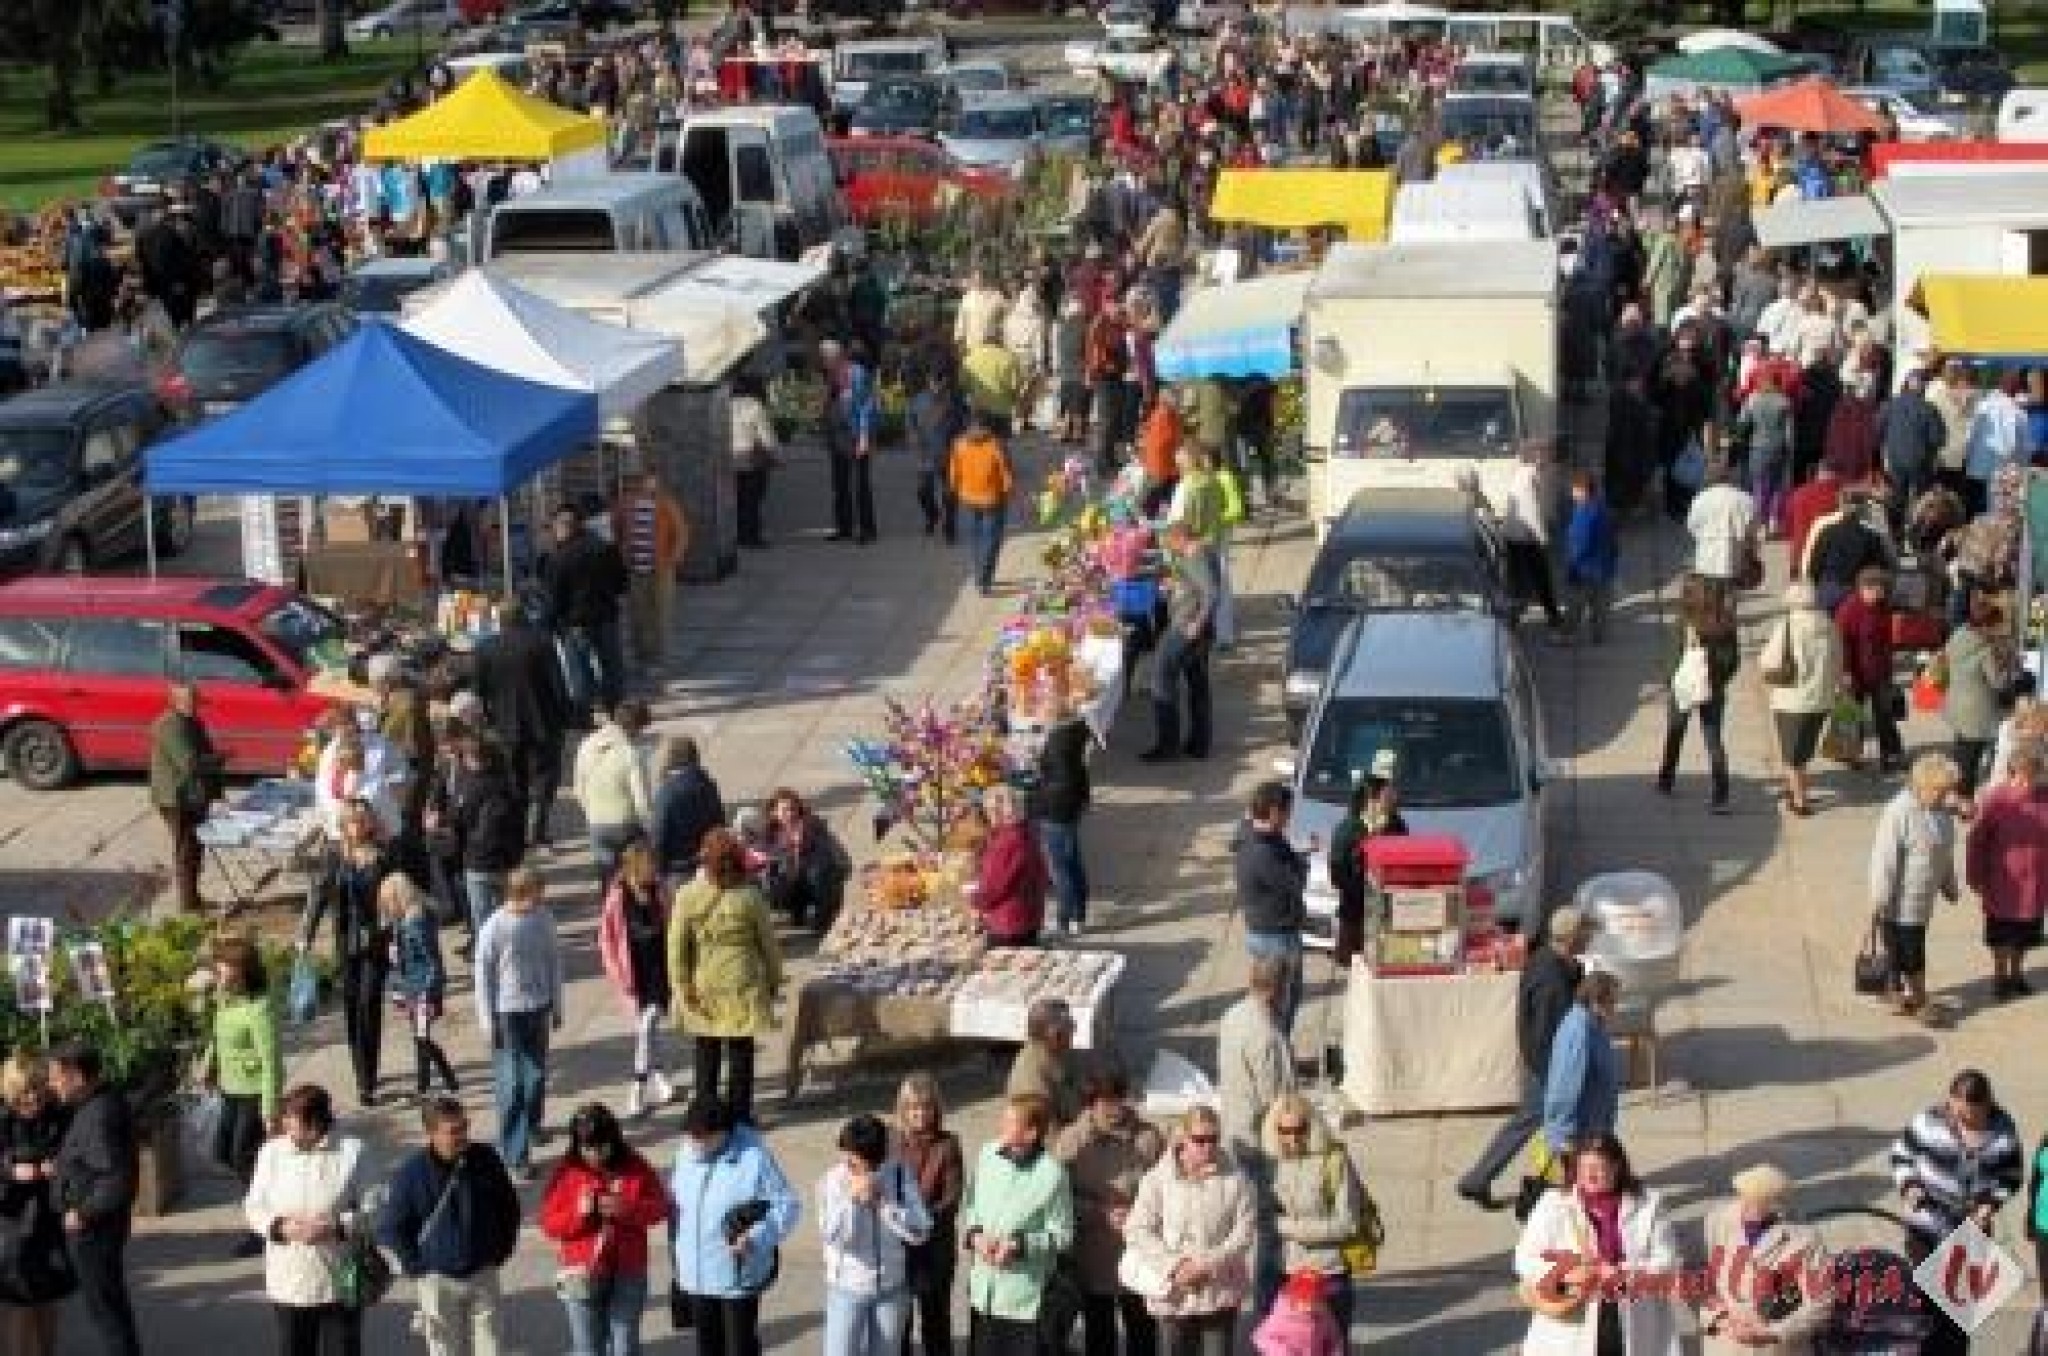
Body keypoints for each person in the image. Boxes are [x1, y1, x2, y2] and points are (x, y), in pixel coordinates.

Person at [1460, 906, 1593, 1210]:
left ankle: (1485, 1179)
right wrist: (1559, 1076)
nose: (1590, 938)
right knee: (1546, 1126)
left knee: (1541, 1126)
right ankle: (1483, 1180)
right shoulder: (1552, 982)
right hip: (1550, 1068)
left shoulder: (1548, 959)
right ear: (1572, 938)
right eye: (1586, 933)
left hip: (1547, 1066)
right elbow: (1549, 1034)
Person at [376, 1096, 522, 1356]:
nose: (462, 1136)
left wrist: (501, 1250)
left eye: (464, 1126)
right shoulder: (411, 1174)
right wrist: (417, 1267)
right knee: (445, 1351)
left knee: (492, 1348)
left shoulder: (486, 1158)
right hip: (437, 1280)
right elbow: (390, 1228)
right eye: (453, 1131)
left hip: (482, 1272)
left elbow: (508, 1207)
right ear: (431, 1133)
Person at [1892, 1070, 2024, 1356]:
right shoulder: (1926, 1121)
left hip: (1970, 1236)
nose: (1971, 1122)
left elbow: (2011, 1176)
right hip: (1925, 1230)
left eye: (1977, 1116)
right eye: (1964, 1115)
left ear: (1988, 1103)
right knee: (1924, 1311)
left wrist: (1991, 1203)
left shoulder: (2003, 1127)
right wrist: (1910, 1186)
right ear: (1951, 1102)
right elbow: (1901, 1155)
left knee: (1957, 1317)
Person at [1513, 1134, 1683, 1356]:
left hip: (1632, 1317)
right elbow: (1525, 1259)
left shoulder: (1649, 1204)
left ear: (1617, 1167)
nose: (1590, 1176)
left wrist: (1623, 1272)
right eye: (1583, 1168)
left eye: (1598, 1168)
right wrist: (1567, 1273)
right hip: (1571, 1324)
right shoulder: (1553, 1203)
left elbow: (1668, 1261)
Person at [537, 1103, 673, 1356]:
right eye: (587, 1148)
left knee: (624, 1346)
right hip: (582, 1273)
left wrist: (627, 1208)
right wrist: (578, 1213)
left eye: (601, 1146)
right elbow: (549, 1223)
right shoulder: (566, 1172)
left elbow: (660, 1207)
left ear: (614, 1140)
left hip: (628, 1271)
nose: (595, 1155)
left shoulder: (635, 1164)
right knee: (588, 1348)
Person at [669, 1096, 801, 1356]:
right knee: (707, 1349)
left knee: (740, 1348)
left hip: (737, 1276)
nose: (695, 1142)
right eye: (691, 1135)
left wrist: (757, 1237)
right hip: (696, 1275)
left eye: (703, 1136)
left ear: (724, 1132)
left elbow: (787, 1205)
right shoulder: (685, 1151)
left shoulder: (754, 1157)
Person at [242, 1084, 368, 1356]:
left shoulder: (352, 1151)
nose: (284, 1123)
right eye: (284, 1116)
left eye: (291, 1117)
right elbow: (254, 1206)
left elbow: (376, 1208)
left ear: (315, 1122)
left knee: (343, 1348)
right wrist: (279, 1228)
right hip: (290, 1278)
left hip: (342, 1276)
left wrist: (338, 1226)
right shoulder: (271, 1153)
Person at [1121, 1104, 1256, 1355]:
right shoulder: (1157, 1179)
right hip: (1173, 1291)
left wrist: (1205, 1263)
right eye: (1200, 1140)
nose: (1208, 1146)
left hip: (1219, 1290)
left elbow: (1244, 1232)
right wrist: (1176, 1266)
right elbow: (1137, 1229)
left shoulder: (1237, 1179)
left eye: (1213, 1139)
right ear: (1183, 1138)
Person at [671, 828, 783, 1126]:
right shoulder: (749, 897)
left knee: (706, 1052)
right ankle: (739, 1115)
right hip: (741, 981)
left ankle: (706, 1115)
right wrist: (773, 980)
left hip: (703, 982)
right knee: (740, 1052)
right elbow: (768, 945)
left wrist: (682, 983)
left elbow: (677, 947)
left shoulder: (687, 896)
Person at [1056, 1066, 1165, 1356]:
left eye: (1119, 1098)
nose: (1114, 1107)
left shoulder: (1149, 1137)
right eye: (1106, 1101)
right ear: (1090, 1102)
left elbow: (1166, 1191)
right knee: (1099, 1333)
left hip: (1139, 1251)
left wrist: (1139, 1214)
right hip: (1092, 1254)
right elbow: (1058, 1198)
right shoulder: (1071, 1141)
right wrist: (1099, 1212)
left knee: (1142, 1332)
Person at [960, 1093, 1076, 1356]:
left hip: (1024, 1302)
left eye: (1010, 1122)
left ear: (1031, 1133)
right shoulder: (987, 1153)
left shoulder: (1052, 1174)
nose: (1001, 1127)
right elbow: (971, 1205)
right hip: (983, 1294)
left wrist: (1018, 1245)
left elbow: (1063, 1235)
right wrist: (976, 1237)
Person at [299, 798, 396, 1108]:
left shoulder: (383, 856)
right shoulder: (333, 855)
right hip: (346, 942)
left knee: (369, 1005)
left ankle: (367, 1081)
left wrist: (398, 936)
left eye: (364, 820)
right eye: (353, 820)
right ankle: (360, 1067)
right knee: (353, 1006)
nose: (359, 826)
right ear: (344, 824)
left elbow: (398, 898)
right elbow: (318, 895)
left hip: (375, 943)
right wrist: (306, 934)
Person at [473, 867, 564, 1181]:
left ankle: (532, 1124)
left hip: (537, 1007)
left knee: (535, 1076)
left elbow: (554, 960)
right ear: (522, 893)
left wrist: (557, 1004)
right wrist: (486, 1020)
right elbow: (482, 977)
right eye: (538, 892)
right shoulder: (494, 928)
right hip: (506, 1013)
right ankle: (516, 1152)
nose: (542, 898)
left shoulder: (543, 919)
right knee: (511, 1084)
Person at [818, 1113, 934, 1356]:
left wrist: (883, 1204)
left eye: (859, 1161)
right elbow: (834, 1238)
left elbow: (921, 1231)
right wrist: (853, 1201)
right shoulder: (832, 1181)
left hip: (892, 1289)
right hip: (846, 1289)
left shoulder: (900, 1175)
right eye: (850, 1157)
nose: (852, 1164)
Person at [48, 1044, 138, 1356]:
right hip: (99, 1229)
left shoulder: (99, 1113)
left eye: (56, 1077)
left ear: (76, 1076)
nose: (52, 1083)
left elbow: (115, 1179)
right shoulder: (96, 1104)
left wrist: (83, 1213)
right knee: (110, 1307)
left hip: (94, 1232)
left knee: (107, 1312)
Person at [1261, 1092, 1366, 1339]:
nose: (1292, 1137)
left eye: (1299, 1129)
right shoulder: (1271, 1164)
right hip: (1287, 1273)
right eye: (1284, 1130)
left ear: (1312, 1125)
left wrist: (1291, 1228)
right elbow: (1262, 1217)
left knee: (1332, 1345)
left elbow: (1348, 1224)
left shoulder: (1334, 1160)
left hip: (1329, 1273)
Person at [201, 934, 282, 1256]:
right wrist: (209, 1063)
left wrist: (269, 1107)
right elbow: (217, 1033)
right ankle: (267, 1197)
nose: (217, 969)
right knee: (223, 1151)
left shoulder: (259, 1008)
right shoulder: (225, 999)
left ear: (240, 970)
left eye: (223, 963)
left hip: (252, 1092)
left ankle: (263, 1223)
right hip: (229, 1088)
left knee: (242, 1156)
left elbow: (271, 1060)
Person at [1700, 1163, 1834, 1354]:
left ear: (1776, 1207)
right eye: (1744, 1198)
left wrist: (1773, 1333)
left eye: (1758, 1203)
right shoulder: (1717, 1220)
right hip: (1727, 1341)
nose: (1746, 1208)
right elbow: (1709, 1281)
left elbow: (1821, 1302)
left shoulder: (1805, 1239)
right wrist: (1718, 1318)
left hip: (1778, 1346)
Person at [1870, 753, 1964, 1021]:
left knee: (1900, 951)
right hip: (1898, 900)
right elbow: (1883, 858)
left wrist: (1949, 884)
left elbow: (1944, 852)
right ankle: (1919, 999)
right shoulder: (1897, 813)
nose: (1944, 797)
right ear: (1921, 785)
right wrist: (1879, 897)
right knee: (1910, 951)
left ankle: (1894, 992)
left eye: (1947, 791)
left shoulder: (1940, 814)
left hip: (1922, 900)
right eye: (1939, 791)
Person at [471, 599, 571, 850]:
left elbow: (479, 690)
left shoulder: (485, 648)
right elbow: (558, 686)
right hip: (543, 722)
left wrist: (489, 719)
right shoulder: (542, 643)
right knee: (544, 777)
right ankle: (536, 831)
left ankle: (516, 828)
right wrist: (567, 715)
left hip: (505, 726)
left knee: (514, 779)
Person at [0, 1053, 75, 1356]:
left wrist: (59, 1164)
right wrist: (10, 1171)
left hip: (47, 1214)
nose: (32, 1098)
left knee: (47, 1296)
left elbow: (74, 1150)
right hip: (11, 1221)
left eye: (36, 1090)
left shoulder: (57, 1114)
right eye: (23, 1094)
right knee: (18, 1301)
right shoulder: (3, 1119)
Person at [598, 837, 678, 1118]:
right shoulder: (618, 896)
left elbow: (674, 924)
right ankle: (656, 1077)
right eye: (649, 865)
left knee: (647, 1027)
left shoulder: (661, 891)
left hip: (660, 969)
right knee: (649, 1029)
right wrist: (617, 973)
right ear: (635, 868)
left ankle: (639, 1084)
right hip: (634, 972)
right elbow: (606, 939)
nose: (655, 870)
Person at [1965, 742, 2048, 1001]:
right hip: (2002, 881)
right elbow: (1976, 840)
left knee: (2025, 932)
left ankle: (2016, 973)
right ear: (2011, 772)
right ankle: (2000, 976)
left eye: (2034, 775)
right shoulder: (1996, 799)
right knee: (2000, 933)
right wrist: (1974, 874)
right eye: (2022, 775)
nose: (2028, 781)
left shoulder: (2045, 797)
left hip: (2036, 882)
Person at [1654, 572, 1741, 813]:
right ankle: (1721, 793)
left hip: (1684, 687)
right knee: (1714, 741)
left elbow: (1672, 657)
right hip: (1713, 689)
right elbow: (1733, 661)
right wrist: (1718, 680)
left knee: (1675, 732)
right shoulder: (1725, 622)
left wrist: (1669, 681)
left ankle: (1666, 779)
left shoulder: (1683, 621)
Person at [894, 1074, 965, 1356]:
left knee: (935, 1321)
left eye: (926, 1107)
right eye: (913, 1107)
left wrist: (919, 1223)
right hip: (898, 1246)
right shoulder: (891, 1142)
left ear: (936, 1108)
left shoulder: (948, 1145)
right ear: (903, 1110)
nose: (920, 1114)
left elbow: (951, 1198)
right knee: (900, 1322)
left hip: (935, 1246)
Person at [1761, 582, 1844, 818]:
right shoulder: (1830, 625)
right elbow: (1839, 662)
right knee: (1804, 750)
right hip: (1821, 698)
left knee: (1791, 754)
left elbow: (1770, 660)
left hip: (1792, 699)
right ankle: (1795, 788)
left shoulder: (1787, 626)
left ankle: (1800, 800)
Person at [543, 505, 631, 719]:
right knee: (612, 666)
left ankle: (587, 714)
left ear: (563, 526)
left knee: (580, 671)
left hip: (576, 623)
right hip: (607, 616)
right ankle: (617, 709)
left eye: (554, 527)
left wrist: (551, 624)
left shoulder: (558, 557)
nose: (553, 532)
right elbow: (622, 584)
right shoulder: (605, 548)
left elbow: (554, 597)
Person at [1234, 782, 1308, 1035]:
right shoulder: (1264, 853)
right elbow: (1295, 884)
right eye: (1287, 812)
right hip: (1277, 938)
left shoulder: (1247, 833)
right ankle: (1277, 1052)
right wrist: (1302, 861)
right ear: (1274, 812)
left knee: (1269, 999)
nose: (1290, 818)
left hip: (1263, 933)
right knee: (1281, 1003)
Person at [1142, 522, 1219, 762]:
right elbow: (1196, 588)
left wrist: (1198, 621)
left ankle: (1168, 744)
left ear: (1180, 539)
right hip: (1197, 628)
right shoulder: (1201, 553)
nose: (1169, 549)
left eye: (1169, 544)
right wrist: (1174, 586)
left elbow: (1211, 591)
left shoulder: (1196, 555)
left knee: (1161, 677)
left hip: (1186, 627)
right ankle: (1199, 743)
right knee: (1197, 683)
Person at [1326, 750, 1407, 968]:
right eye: (1392, 792)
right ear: (1375, 795)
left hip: (1388, 918)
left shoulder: (1398, 826)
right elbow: (1337, 876)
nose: (1397, 797)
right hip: (1355, 921)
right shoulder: (1348, 830)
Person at [1216, 955, 1299, 1165]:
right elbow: (1273, 1098)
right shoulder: (1266, 1036)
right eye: (1287, 986)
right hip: (1258, 1139)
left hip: (1233, 1123)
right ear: (1279, 990)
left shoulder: (1232, 1014)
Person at [384, 872, 459, 1102]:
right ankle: (433, 1083)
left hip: (423, 989)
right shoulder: (406, 920)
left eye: (389, 901)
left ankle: (437, 1081)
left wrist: (429, 991)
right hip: (413, 987)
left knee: (421, 1037)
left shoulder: (416, 922)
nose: (387, 907)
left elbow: (431, 961)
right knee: (420, 1037)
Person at [148, 679, 220, 913]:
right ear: (174, 701)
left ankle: (194, 900)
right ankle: (188, 908)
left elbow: (204, 753)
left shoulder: (192, 721)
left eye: (195, 700)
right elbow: (189, 763)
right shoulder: (169, 725)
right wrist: (220, 758)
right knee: (186, 852)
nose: (194, 704)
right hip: (176, 799)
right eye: (188, 700)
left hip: (194, 797)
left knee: (196, 848)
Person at [447, 734, 527, 940]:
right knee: (510, 916)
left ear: (470, 758)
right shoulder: (507, 783)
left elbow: (458, 822)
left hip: (477, 861)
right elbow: (520, 820)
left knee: (483, 922)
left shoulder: (469, 787)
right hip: (507, 860)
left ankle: (489, 961)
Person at [574, 698, 656, 889]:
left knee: (609, 882)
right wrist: (650, 831)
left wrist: (592, 812)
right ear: (634, 727)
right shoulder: (631, 753)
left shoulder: (585, 745)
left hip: (596, 824)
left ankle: (612, 915)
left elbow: (578, 789)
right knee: (637, 883)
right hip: (627, 825)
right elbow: (642, 801)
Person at [611, 470, 689, 672]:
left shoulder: (667, 504)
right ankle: (642, 657)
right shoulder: (626, 504)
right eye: (646, 481)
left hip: (661, 569)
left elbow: (681, 532)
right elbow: (617, 528)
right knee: (638, 616)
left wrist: (673, 558)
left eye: (653, 481)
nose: (649, 485)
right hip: (636, 568)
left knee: (660, 614)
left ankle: (659, 657)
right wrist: (622, 552)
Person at [1543, 968, 1623, 1160]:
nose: (1615, 1007)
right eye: (1611, 1002)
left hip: (1594, 1127)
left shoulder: (1594, 1024)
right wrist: (1564, 1133)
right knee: (1583, 1186)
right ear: (1595, 1001)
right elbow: (1564, 1086)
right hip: (1579, 1134)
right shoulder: (1578, 1033)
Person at [1032, 692, 1092, 938]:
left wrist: (1037, 789)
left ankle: (1065, 920)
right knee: (1073, 861)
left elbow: (1060, 783)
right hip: (1070, 807)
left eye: (1042, 712)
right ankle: (1079, 914)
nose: (1039, 716)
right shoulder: (1074, 734)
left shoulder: (1058, 744)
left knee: (1061, 868)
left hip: (1057, 811)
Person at [1943, 596, 2017, 796]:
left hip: (1956, 702)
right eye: (1997, 625)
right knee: (1971, 758)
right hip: (1977, 710)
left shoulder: (1957, 635)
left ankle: (1955, 791)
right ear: (1988, 625)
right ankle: (1964, 798)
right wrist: (2009, 666)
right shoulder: (1985, 650)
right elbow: (1998, 683)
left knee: (1961, 752)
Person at [1835, 567, 1905, 772]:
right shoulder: (1848, 610)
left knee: (1885, 714)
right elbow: (1842, 644)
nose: (1882, 593)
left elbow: (1886, 640)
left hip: (1879, 671)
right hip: (1854, 673)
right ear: (1865, 588)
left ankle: (1891, 755)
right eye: (1879, 589)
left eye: (1883, 589)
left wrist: (1889, 667)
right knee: (1849, 715)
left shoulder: (1883, 607)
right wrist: (1845, 672)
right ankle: (1849, 754)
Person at [761, 788, 851, 933]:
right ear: (774, 812)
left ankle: (823, 920)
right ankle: (796, 911)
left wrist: (801, 845)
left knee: (817, 874)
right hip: (793, 882)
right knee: (774, 882)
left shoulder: (813, 827)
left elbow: (827, 861)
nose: (789, 814)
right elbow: (766, 860)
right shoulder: (770, 834)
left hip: (819, 882)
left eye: (792, 809)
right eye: (784, 810)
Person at [949, 412, 1015, 595]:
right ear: (988, 427)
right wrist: (1010, 492)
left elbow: (954, 473)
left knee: (975, 539)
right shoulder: (996, 445)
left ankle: (979, 574)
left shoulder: (959, 444)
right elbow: (1006, 474)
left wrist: (956, 490)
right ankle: (983, 579)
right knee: (991, 540)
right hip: (992, 499)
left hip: (968, 498)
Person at [1501, 441, 1565, 630]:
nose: (1548, 459)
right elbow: (1531, 511)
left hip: (1514, 536)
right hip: (1525, 538)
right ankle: (1552, 617)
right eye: (1545, 455)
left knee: (1518, 580)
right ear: (1535, 457)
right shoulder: (1529, 476)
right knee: (1540, 577)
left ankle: (1514, 618)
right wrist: (1543, 538)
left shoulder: (1521, 473)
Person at [822, 339, 880, 544]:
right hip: (837, 437)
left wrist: (864, 437)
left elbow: (867, 406)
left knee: (859, 485)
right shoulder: (831, 375)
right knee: (840, 485)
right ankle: (844, 527)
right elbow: (831, 404)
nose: (825, 362)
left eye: (828, 357)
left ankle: (866, 529)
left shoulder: (857, 373)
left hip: (855, 435)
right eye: (824, 358)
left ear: (839, 356)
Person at [976, 786, 1049, 947]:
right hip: (1027, 916)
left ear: (998, 812)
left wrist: (976, 901)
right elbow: (1042, 875)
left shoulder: (1007, 843)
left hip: (1009, 922)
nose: (987, 816)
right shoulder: (1026, 833)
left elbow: (993, 887)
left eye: (989, 810)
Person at [650, 736, 726, 881]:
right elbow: (720, 824)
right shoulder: (708, 785)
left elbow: (658, 835)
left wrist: (659, 871)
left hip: (678, 869)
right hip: (708, 864)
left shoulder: (667, 791)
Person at [1686, 460, 1761, 596]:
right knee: (1730, 593)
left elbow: (1692, 527)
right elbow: (1753, 530)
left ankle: (1713, 612)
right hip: (1735, 557)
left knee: (1709, 595)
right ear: (1730, 476)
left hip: (1706, 558)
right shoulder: (1745, 499)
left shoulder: (1699, 499)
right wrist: (1752, 552)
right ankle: (1728, 613)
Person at [1738, 365, 1797, 535]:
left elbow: (1742, 423)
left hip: (1757, 447)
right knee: (1778, 486)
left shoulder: (1752, 399)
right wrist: (1790, 451)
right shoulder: (1784, 401)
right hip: (1779, 448)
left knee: (1760, 486)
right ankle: (1773, 520)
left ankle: (1760, 523)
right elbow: (1789, 432)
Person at [1006, 999, 1081, 1130]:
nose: (1074, 1031)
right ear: (1053, 1033)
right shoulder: (1031, 1085)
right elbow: (1044, 1136)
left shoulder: (1055, 1054)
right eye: (1070, 1026)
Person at [1563, 471, 1619, 644]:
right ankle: (1598, 636)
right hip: (1604, 567)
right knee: (1600, 605)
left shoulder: (1584, 512)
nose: (1572, 493)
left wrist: (1572, 564)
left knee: (1575, 604)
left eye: (1574, 490)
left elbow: (1581, 542)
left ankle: (1568, 635)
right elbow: (1614, 540)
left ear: (1583, 491)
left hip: (1584, 569)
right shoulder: (1603, 508)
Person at [730, 372, 778, 549]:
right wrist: (773, 455)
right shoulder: (756, 407)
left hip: (731, 458)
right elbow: (765, 436)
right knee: (753, 499)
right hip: (752, 458)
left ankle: (738, 534)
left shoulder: (727, 405)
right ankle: (751, 536)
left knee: (738, 498)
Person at [1251, 1269, 1344, 1356]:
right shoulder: (1282, 1316)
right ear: (1294, 1298)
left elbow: (1334, 1337)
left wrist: (1335, 1351)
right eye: (1306, 1300)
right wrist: (1284, 1352)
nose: (1311, 1306)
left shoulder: (1324, 1314)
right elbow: (1260, 1337)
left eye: (1316, 1299)